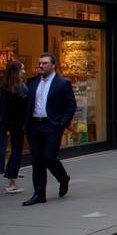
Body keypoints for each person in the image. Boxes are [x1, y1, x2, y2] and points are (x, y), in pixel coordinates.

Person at [22, 52, 75, 206]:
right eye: (40, 63)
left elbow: (71, 105)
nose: (41, 66)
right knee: (37, 160)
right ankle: (39, 193)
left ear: (53, 65)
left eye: (44, 63)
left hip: (52, 125)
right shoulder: (32, 82)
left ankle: (63, 178)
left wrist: (62, 123)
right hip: (34, 125)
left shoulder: (62, 83)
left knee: (49, 157)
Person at [1, 60, 28, 194]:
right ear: (15, 72)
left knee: (9, 150)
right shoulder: (20, 88)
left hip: (8, 124)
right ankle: (12, 181)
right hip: (16, 124)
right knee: (16, 151)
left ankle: (12, 175)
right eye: (22, 69)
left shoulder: (4, 87)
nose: (24, 71)